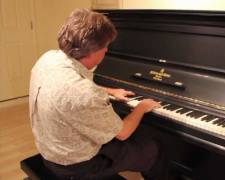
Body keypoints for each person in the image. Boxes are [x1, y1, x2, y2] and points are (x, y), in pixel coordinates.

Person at [29, 8, 168, 180]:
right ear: (92, 51)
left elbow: (69, 91)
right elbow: (123, 133)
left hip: (50, 152)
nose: (107, 51)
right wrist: (141, 107)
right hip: (77, 167)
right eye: (105, 47)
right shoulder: (84, 93)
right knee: (155, 149)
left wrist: (110, 91)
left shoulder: (48, 59)